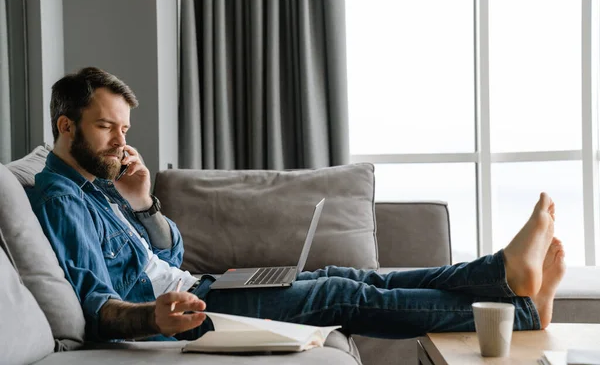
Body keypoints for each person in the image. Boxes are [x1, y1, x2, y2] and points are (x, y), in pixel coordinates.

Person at [27, 67, 566, 342]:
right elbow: (96, 309)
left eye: (124, 128)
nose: (121, 141)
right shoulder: (58, 198)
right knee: (339, 294)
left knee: (353, 276)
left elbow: (169, 258)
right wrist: (155, 318)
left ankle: (503, 275)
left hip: (198, 288)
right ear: (66, 125)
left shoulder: (99, 186)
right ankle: (519, 310)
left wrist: (143, 205)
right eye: (106, 127)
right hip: (195, 314)